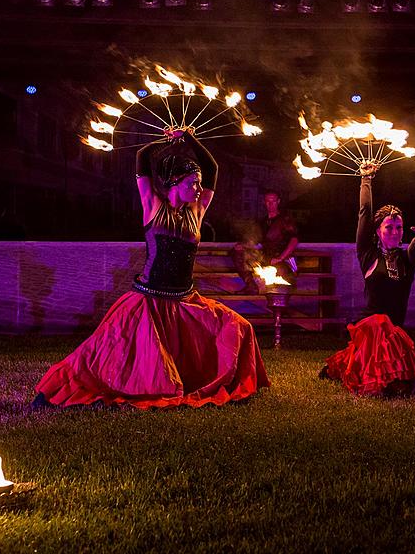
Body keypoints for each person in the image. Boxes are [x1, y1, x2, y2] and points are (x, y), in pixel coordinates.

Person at [34, 129, 269, 408]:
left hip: (184, 300)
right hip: (149, 300)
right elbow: (142, 157)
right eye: (193, 183)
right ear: (175, 182)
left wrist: (191, 139)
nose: (197, 188)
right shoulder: (152, 206)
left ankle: (227, 382)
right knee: (117, 360)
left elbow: (212, 168)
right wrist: (168, 140)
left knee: (238, 326)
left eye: (199, 184)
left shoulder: (197, 211)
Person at [319, 162, 415, 397]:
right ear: (377, 231)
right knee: (379, 323)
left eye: (399, 227)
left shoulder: (407, 260)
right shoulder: (368, 254)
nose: (395, 232)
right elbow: (365, 212)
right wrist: (366, 180)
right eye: (389, 227)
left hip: (395, 338)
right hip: (370, 332)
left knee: (399, 379)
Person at [232, 190, 300, 292]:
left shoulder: (285, 220)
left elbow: (294, 240)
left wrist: (281, 258)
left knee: (280, 287)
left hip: (281, 260)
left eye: (273, 201)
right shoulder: (263, 222)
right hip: (265, 257)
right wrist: (244, 246)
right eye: (268, 201)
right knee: (237, 252)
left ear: (278, 202)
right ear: (264, 202)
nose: (270, 204)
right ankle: (251, 285)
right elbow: (257, 242)